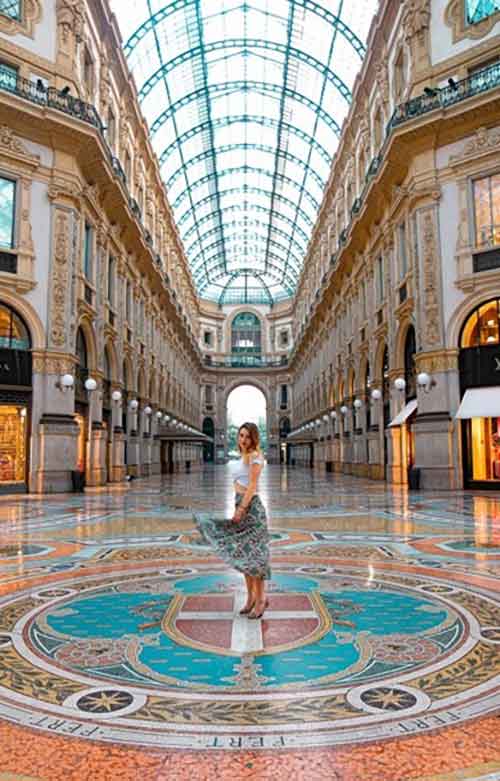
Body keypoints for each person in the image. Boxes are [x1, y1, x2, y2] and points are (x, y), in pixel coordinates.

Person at [194, 422, 270, 619]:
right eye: (241, 435)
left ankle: (261, 600)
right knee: (245, 555)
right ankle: (251, 598)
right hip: (240, 504)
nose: (243, 440)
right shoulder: (241, 457)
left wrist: (242, 509)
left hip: (251, 509)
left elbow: (252, 485)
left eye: (247, 436)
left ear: (254, 438)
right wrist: (238, 506)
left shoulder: (255, 457)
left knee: (256, 557)